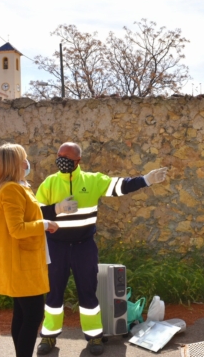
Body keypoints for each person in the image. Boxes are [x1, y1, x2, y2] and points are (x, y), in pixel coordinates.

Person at [36, 142, 168, 356]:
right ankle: (49, 336)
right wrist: (56, 209)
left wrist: (146, 180)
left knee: (88, 292)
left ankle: (94, 337)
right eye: (59, 155)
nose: (60, 159)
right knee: (54, 294)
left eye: (66, 157)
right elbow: (36, 213)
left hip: (83, 246)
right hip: (56, 246)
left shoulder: (93, 180)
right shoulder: (49, 183)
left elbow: (120, 186)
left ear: (77, 160)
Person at [0, 143, 59, 357]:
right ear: (13, 164)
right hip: (22, 265)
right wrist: (46, 224)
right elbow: (17, 229)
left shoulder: (17, 187)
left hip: (25, 262)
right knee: (33, 316)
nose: (27, 162)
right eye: (23, 159)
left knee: (22, 315)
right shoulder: (11, 189)